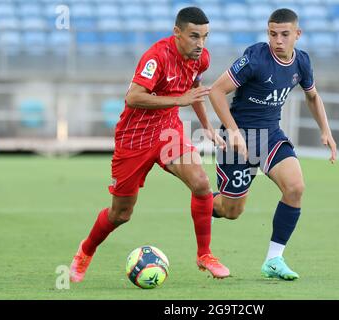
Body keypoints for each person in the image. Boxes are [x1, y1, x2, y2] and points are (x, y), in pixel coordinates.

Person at [69, 7, 230, 282]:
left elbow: (194, 91)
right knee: (121, 214)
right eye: (194, 36)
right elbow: (133, 97)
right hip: (134, 138)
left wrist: (206, 126)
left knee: (202, 184)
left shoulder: (200, 58)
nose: (200, 44)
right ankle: (85, 251)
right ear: (177, 32)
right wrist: (178, 100)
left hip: (168, 131)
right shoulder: (156, 57)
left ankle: (205, 255)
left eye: (205, 36)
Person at [208, 8, 337, 280]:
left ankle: (274, 259)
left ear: (297, 35)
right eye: (272, 34)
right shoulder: (255, 58)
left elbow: (312, 96)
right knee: (231, 212)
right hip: (240, 138)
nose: (278, 40)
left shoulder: (302, 62)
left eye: (284, 34)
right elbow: (217, 91)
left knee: (295, 187)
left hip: (270, 136)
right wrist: (232, 131)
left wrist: (325, 130)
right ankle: (203, 202)